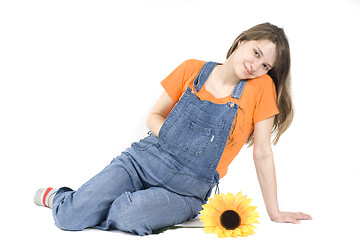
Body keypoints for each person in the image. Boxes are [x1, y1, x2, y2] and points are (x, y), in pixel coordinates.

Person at [34, 22, 312, 236]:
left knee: (130, 214)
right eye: (255, 52)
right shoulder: (192, 69)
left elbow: (262, 152)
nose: (256, 65)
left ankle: (96, 202)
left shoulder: (261, 88)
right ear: (241, 41)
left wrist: (274, 212)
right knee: (68, 218)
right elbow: (154, 116)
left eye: (265, 65)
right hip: (141, 163)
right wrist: (172, 137)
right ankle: (64, 198)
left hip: (185, 192)